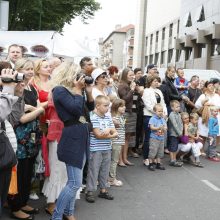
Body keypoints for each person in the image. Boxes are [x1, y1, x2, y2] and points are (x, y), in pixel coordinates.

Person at [51, 61, 91, 220]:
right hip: (72, 136)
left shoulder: (74, 91)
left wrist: (87, 91)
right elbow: (75, 110)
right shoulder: (59, 90)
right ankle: (56, 216)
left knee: (76, 181)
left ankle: (69, 212)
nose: (80, 77)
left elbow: (90, 108)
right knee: (74, 182)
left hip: (80, 135)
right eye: (77, 74)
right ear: (69, 74)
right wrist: (77, 90)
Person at [0, 68, 24, 216]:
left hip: (5, 155)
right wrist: (7, 88)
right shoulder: (4, 94)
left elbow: (14, 117)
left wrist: (18, 94)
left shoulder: (3, 95)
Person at [86, 95, 118, 203]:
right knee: (93, 169)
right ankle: (90, 191)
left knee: (105, 169)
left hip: (107, 147)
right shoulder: (92, 116)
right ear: (98, 106)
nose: (107, 108)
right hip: (95, 148)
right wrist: (111, 134)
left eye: (108, 106)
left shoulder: (107, 117)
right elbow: (98, 135)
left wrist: (109, 129)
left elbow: (115, 132)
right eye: (105, 106)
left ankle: (103, 190)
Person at [142, 76, 167, 167]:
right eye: (155, 81)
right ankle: (146, 158)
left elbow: (163, 103)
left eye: (158, 81)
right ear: (150, 82)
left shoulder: (159, 91)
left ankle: (156, 159)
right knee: (149, 138)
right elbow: (148, 105)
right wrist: (157, 112)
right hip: (150, 116)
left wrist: (164, 113)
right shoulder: (146, 91)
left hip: (160, 116)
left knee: (158, 138)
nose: (157, 83)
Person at [118, 68, 137, 166]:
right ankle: (120, 159)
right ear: (125, 75)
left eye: (133, 75)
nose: (132, 76)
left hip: (132, 113)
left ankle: (125, 158)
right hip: (125, 113)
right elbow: (124, 99)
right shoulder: (122, 85)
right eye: (130, 75)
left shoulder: (130, 85)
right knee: (122, 137)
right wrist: (132, 89)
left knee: (127, 138)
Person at [109, 99, 126, 186]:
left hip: (118, 141)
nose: (124, 107)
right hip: (115, 141)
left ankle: (110, 178)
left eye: (124, 105)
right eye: (121, 106)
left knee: (113, 160)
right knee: (114, 161)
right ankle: (112, 179)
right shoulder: (114, 118)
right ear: (116, 107)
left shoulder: (121, 117)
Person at [148, 104, 167, 171]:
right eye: (159, 111)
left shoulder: (162, 119)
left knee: (160, 151)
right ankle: (150, 163)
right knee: (153, 151)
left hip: (161, 137)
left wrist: (165, 128)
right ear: (154, 111)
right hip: (154, 138)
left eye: (161, 111)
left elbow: (165, 126)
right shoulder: (152, 119)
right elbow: (151, 127)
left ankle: (158, 163)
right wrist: (158, 128)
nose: (160, 112)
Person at [168, 100, 183, 167]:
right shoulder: (171, 114)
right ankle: (172, 160)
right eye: (176, 107)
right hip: (173, 134)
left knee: (175, 147)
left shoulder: (179, 114)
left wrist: (181, 131)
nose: (178, 108)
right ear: (172, 108)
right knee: (173, 147)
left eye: (179, 106)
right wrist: (179, 132)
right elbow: (175, 125)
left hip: (178, 134)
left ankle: (174, 159)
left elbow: (181, 124)